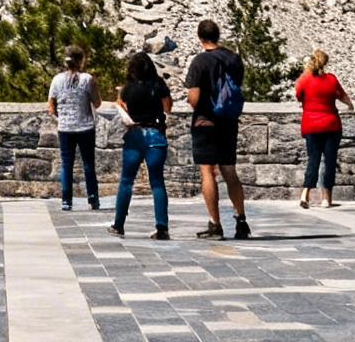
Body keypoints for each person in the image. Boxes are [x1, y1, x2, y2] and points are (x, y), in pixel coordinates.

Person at [184, 19, 249, 240]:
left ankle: (215, 223)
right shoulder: (234, 59)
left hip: (205, 122)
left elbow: (194, 98)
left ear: (200, 36)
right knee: (229, 170)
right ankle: (241, 220)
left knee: (207, 172)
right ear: (218, 35)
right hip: (228, 121)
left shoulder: (200, 62)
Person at [105, 51, 173, 240]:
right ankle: (162, 227)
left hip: (134, 135)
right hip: (155, 134)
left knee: (127, 180)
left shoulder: (128, 88)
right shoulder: (158, 85)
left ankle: (119, 224)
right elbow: (168, 107)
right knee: (157, 182)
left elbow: (121, 106)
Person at [48, 46, 101, 212]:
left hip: (65, 128)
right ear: (81, 61)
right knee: (88, 164)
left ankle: (66, 200)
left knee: (67, 165)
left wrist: (60, 118)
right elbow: (97, 102)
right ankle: (92, 198)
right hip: (85, 126)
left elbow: (51, 105)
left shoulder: (57, 80)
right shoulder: (87, 79)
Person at [294, 49, 347, 208]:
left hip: (311, 125)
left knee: (313, 159)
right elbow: (342, 95)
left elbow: (298, 95)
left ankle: (305, 194)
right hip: (331, 124)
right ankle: (326, 198)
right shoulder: (331, 79)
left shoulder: (304, 79)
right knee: (329, 161)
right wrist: (350, 105)